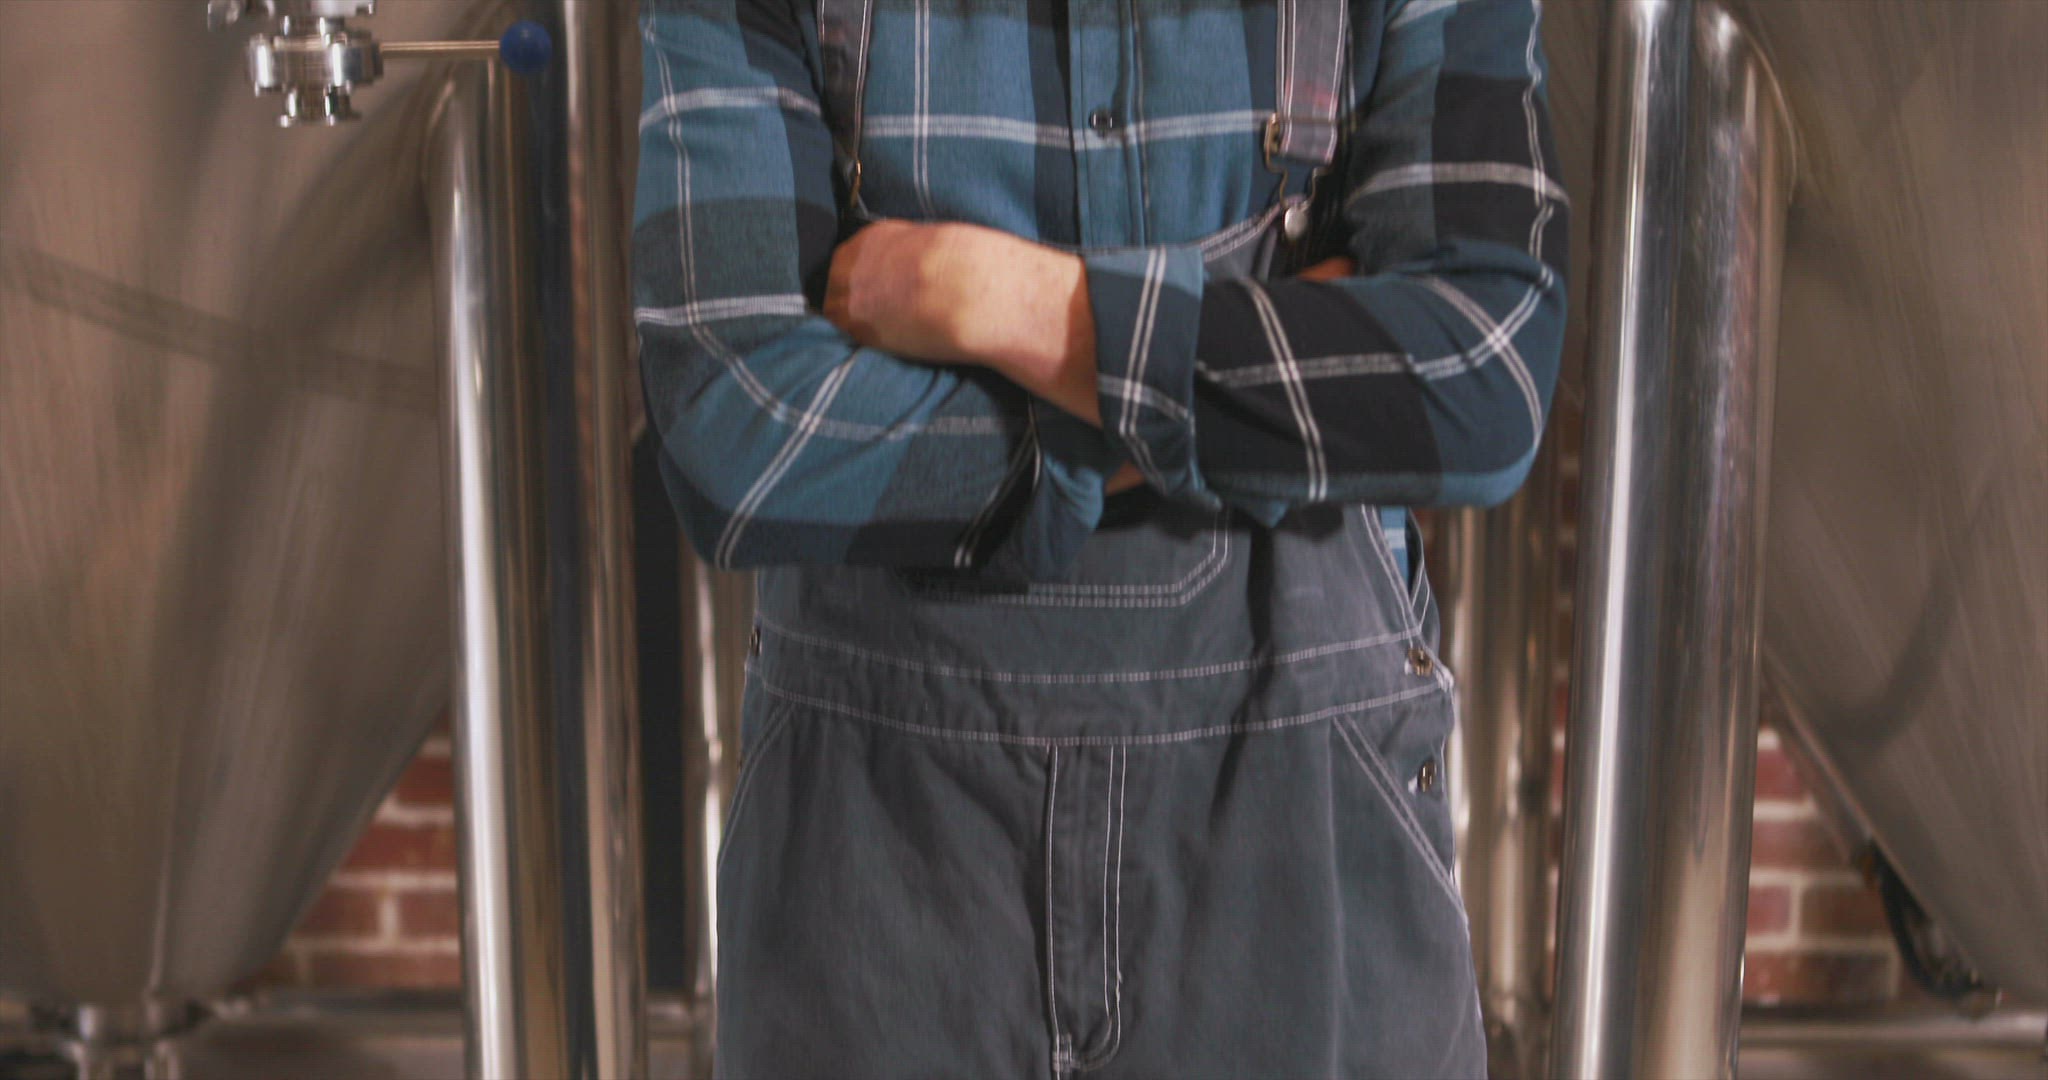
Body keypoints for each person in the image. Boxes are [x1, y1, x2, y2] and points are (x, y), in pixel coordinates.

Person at [633, 0, 1566, 1075]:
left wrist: (1007, 306)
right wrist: (1248, 364)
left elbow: (1478, 373)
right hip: (876, 867)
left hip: (1301, 828)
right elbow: (735, 424)